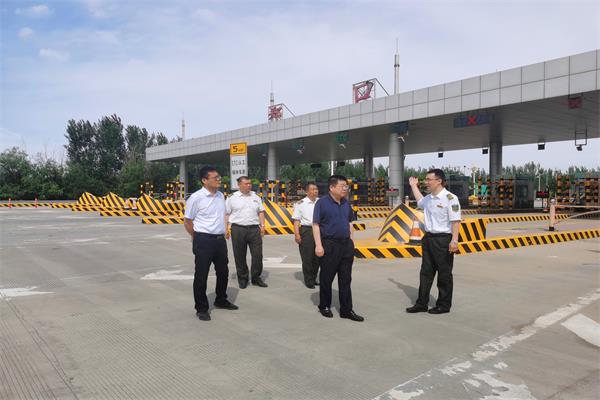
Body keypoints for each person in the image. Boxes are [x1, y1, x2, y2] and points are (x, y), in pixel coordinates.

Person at [184, 166, 238, 321]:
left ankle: (221, 299)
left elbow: (223, 215)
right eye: (215, 178)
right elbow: (187, 221)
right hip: (203, 241)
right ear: (204, 180)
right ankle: (201, 308)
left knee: (223, 272)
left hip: (220, 240)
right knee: (201, 275)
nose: (219, 180)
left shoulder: (221, 196)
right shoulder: (196, 198)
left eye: (218, 177)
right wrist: (196, 237)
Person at [406, 168, 461, 315]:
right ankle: (421, 303)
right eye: (426, 179)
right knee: (425, 273)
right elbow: (420, 201)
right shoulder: (429, 198)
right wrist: (413, 186)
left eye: (429, 179)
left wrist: (454, 241)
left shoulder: (450, 198)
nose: (426, 182)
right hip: (428, 239)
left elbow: (455, 221)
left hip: (443, 240)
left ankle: (443, 305)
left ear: (439, 181)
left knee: (444, 274)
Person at [313, 175, 364, 322]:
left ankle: (346, 310)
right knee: (326, 278)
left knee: (346, 279)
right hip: (329, 245)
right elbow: (315, 225)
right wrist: (318, 245)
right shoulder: (322, 203)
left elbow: (350, 223)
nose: (345, 189)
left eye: (346, 186)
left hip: (346, 245)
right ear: (332, 187)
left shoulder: (346, 203)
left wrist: (351, 242)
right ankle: (324, 306)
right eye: (342, 186)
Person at [225, 176, 268, 289]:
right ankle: (243, 278)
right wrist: (225, 229)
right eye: (246, 183)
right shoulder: (232, 198)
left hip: (254, 229)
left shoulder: (256, 197)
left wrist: (263, 226)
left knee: (257, 255)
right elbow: (226, 214)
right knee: (239, 255)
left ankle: (256, 278)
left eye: (250, 183)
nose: (249, 185)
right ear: (239, 185)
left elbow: (261, 212)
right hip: (238, 229)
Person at [292, 182, 320, 289]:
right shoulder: (300, 204)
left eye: (316, 189)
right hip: (307, 230)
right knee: (307, 257)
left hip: (319, 230)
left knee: (318, 257)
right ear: (307, 191)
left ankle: (314, 278)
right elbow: (296, 220)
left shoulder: (320, 202)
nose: (315, 191)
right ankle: (309, 280)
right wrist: (297, 234)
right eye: (313, 189)